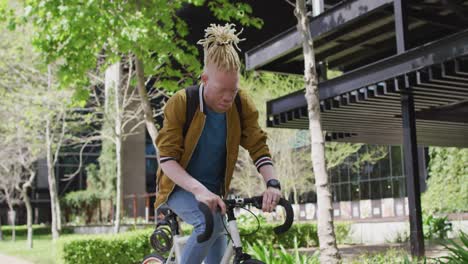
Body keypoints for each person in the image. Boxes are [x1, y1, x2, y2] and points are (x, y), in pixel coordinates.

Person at [154, 23, 282, 264]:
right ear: (204, 79)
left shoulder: (241, 103)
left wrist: (272, 183)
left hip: (216, 194)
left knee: (218, 251)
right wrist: (198, 190)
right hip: (178, 188)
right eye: (221, 90)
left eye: (232, 90)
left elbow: (258, 145)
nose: (227, 97)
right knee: (209, 225)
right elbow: (167, 159)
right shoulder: (182, 102)